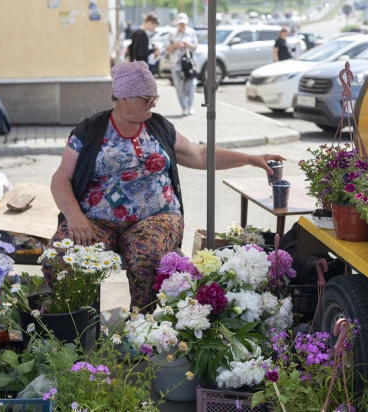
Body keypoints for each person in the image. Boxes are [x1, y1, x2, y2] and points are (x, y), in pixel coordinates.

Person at [49, 61, 285, 312]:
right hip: (95, 221)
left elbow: (200, 155)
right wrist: (75, 217)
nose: (154, 102)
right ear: (124, 97)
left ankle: (141, 324)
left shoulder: (159, 127)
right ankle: (77, 322)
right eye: (147, 97)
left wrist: (250, 159)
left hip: (157, 218)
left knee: (146, 252)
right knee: (62, 256)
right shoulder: (90, 130)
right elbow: (61, 178)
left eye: (155, 96)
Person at [165, 13, 198, 116]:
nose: (182, 26)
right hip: (176, 64)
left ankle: (190, 105)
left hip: (188, 64)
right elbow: (167, 48)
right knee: (179, 87)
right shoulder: (172, 33)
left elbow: (195, 46)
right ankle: (184, 107)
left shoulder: (191, 32)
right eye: (180, 24)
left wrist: (188, 44)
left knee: (191, 85)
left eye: (183, 24)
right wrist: (176, 45)